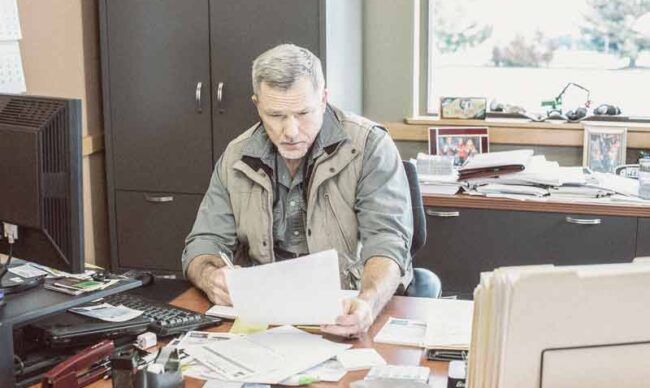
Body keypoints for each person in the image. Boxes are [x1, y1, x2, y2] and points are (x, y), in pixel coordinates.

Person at [181, 44, 413, 338]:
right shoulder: (236, 156)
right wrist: (210, 275)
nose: (290, 131)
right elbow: (203, 243)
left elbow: (387, 241)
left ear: (324, 98)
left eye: (303, 113)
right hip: (264, 318)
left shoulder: (369, 146)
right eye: (276, 115)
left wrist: (367, 302)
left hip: (345, 305)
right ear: (257, 105)